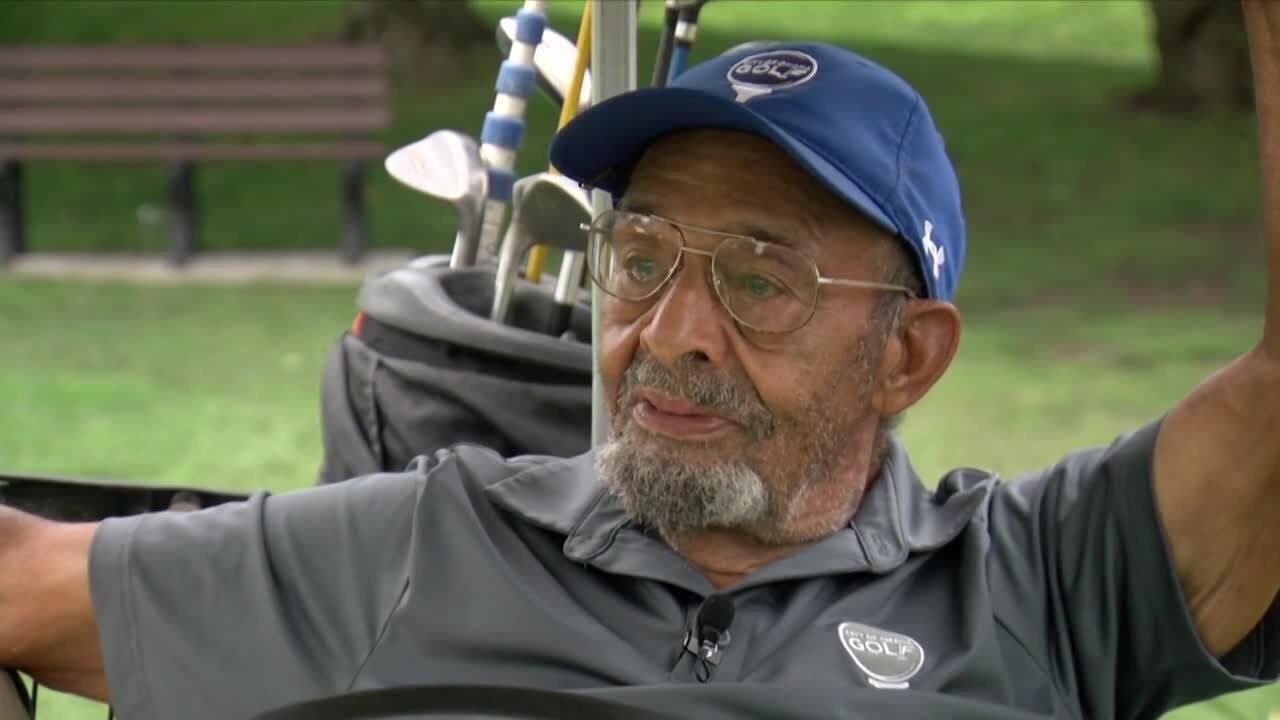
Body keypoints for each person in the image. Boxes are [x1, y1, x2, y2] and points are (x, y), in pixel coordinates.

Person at [3, 3, 1279, 719]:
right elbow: (28, 581)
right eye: (645, 254)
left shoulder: (1040, 581)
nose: (668, 333)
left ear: (906, 356)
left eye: (758, 278)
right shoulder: (430, 544)